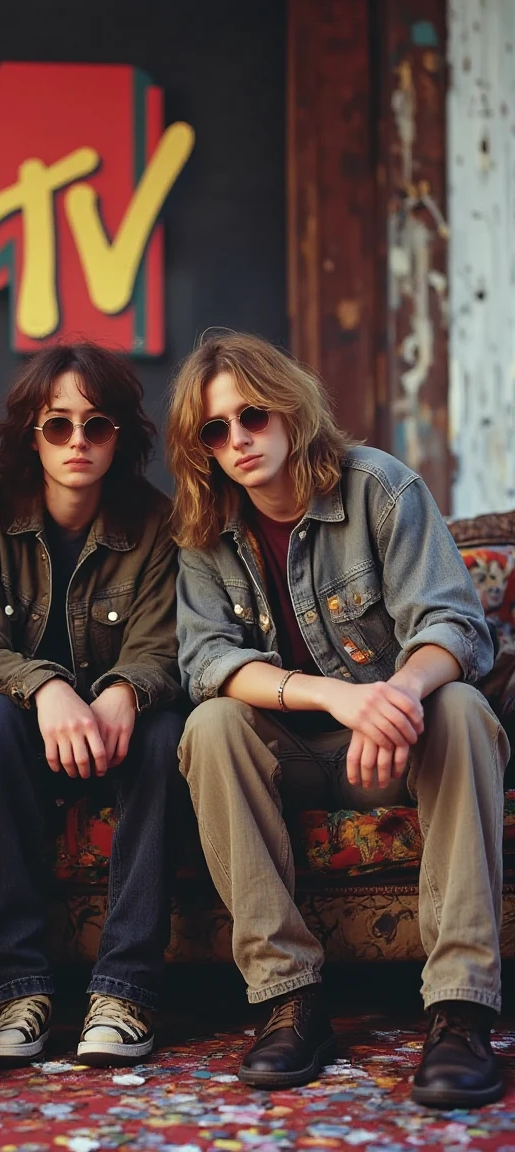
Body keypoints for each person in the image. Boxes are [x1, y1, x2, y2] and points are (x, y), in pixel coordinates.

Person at [165, 331, 508, 1108]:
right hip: (294, 753)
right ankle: (290, 999)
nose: (238, 440)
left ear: (288, 409)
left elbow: (454, 629)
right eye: (214, 431)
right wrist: (337, 698)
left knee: (460, 706)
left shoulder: (379, 489)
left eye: (250, 416)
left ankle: (459, 1009)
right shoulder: (202, 530)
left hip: (404, 745)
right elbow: (207, 663)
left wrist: (398, 701)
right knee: (211, 727)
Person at [0, 343, 184, 1067]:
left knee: (171, 728)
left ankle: (126, 990)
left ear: (123, 436)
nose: (77, 441)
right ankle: (17, 990)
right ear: (31, 433)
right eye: (58, 425)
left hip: (121, 743)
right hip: (20, 742)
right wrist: (46, 688)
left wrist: (123, 690)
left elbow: (167, 648)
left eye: (97, 425)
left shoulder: (155, 522)